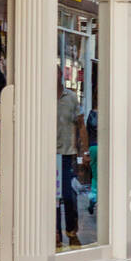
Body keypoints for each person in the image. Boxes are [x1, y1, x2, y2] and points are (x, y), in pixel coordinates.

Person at [56, 71, 85, 249]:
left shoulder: (71, 98)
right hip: (47, 155)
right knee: (52, 197)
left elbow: (80, 125)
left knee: (69, 194)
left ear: (60, 76)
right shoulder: (41, 96)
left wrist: (83, 153)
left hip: (67, 155)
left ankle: (72, 231)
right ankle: (55, 232)